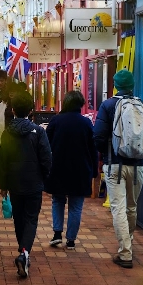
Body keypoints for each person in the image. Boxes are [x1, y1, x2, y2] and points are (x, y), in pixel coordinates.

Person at [93, 69, 143, 269]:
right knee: (132, 207)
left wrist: (107, 154)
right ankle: (127, 244)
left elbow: (98, 136)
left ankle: (125, 252)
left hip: (115, 166)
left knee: (119, 208)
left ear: (115, 85)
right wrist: (141, 154)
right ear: (132, 85)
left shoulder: (108, 105)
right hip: (138, 166)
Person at [0, 91, 52, 278]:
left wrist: (3, 185)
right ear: (30, 110)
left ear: (12, 110)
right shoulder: (39, 132)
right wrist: (44, 177)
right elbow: (46, 158)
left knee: (19, 219)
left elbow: (2, 161)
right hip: (34, 183)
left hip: (14, 183)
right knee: (31, 219)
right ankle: (24, 253)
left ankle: (23, 252)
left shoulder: (7, 133)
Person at [45, 91, 98, 250]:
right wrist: (94, 171)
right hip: (80, 170)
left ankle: (56, 234)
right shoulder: (86, 123)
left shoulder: (56, 121)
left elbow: (46, 146)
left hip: (58, 168)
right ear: (80, 105)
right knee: (76, 205)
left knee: (58, 201)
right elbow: (93, 149)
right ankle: (71, 240)